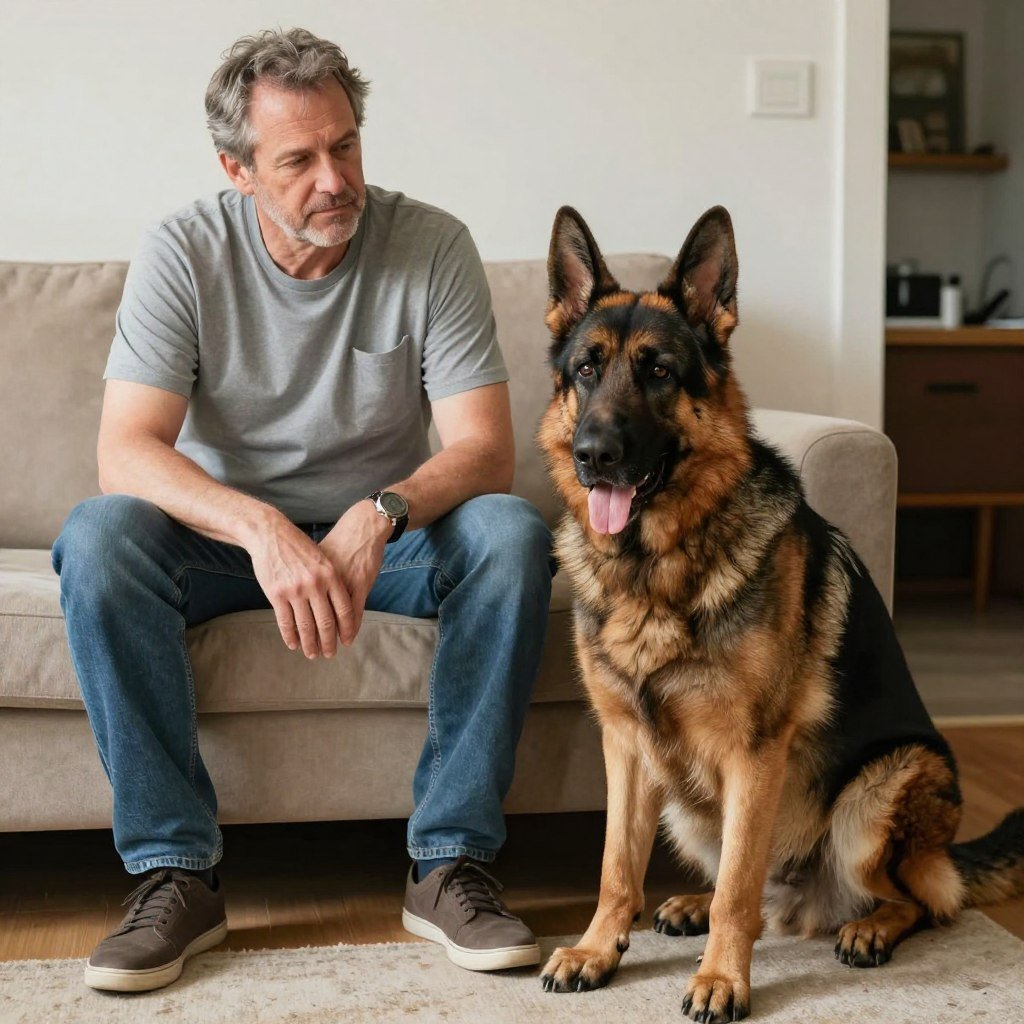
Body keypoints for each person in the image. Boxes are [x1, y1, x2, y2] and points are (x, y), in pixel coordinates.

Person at [51, 27, 553, 993]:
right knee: (99, 537)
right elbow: (126, 450)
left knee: (511, 533)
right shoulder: (183, 250)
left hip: (390, 542)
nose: (335, 179)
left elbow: (485, 449)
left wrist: (379, 513)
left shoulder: (433, 243)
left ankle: (449, 863)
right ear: (237, 170)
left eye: (347, 145)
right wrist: (262, 528)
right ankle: (173, 875)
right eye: (299, 160)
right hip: (223, 543)